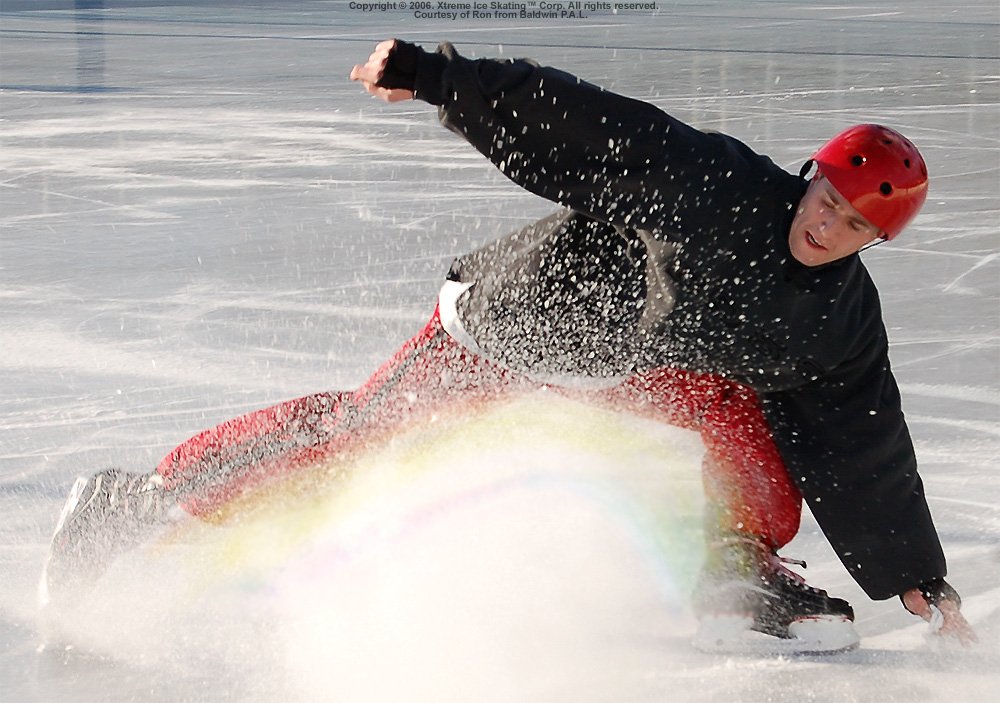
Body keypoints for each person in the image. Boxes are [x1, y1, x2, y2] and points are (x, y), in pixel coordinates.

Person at [42, 39, 977, 651]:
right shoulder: (716, 186)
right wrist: (445, 79)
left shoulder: (841, 320)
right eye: (828, 199)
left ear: (873, 242)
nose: (829, 226)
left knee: (768, 408)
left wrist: (913, 573)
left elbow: (863, 434)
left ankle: (731, 564)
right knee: (368, 435)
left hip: (641, 363)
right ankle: (143, 500)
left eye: (856, 225)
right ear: (811, 173)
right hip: (518, 328)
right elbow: (597, 131)